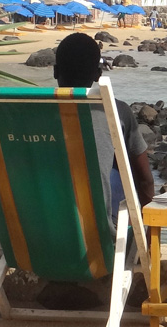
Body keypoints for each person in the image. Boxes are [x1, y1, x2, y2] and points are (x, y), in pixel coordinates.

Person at [53, 33, 154, 217]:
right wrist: (146, 224)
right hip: (98, 231)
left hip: (30, 231)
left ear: (55, 71)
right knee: (119, 168)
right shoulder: (118, 111)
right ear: (98, 74)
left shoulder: (25, 114)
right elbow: (145, 180)